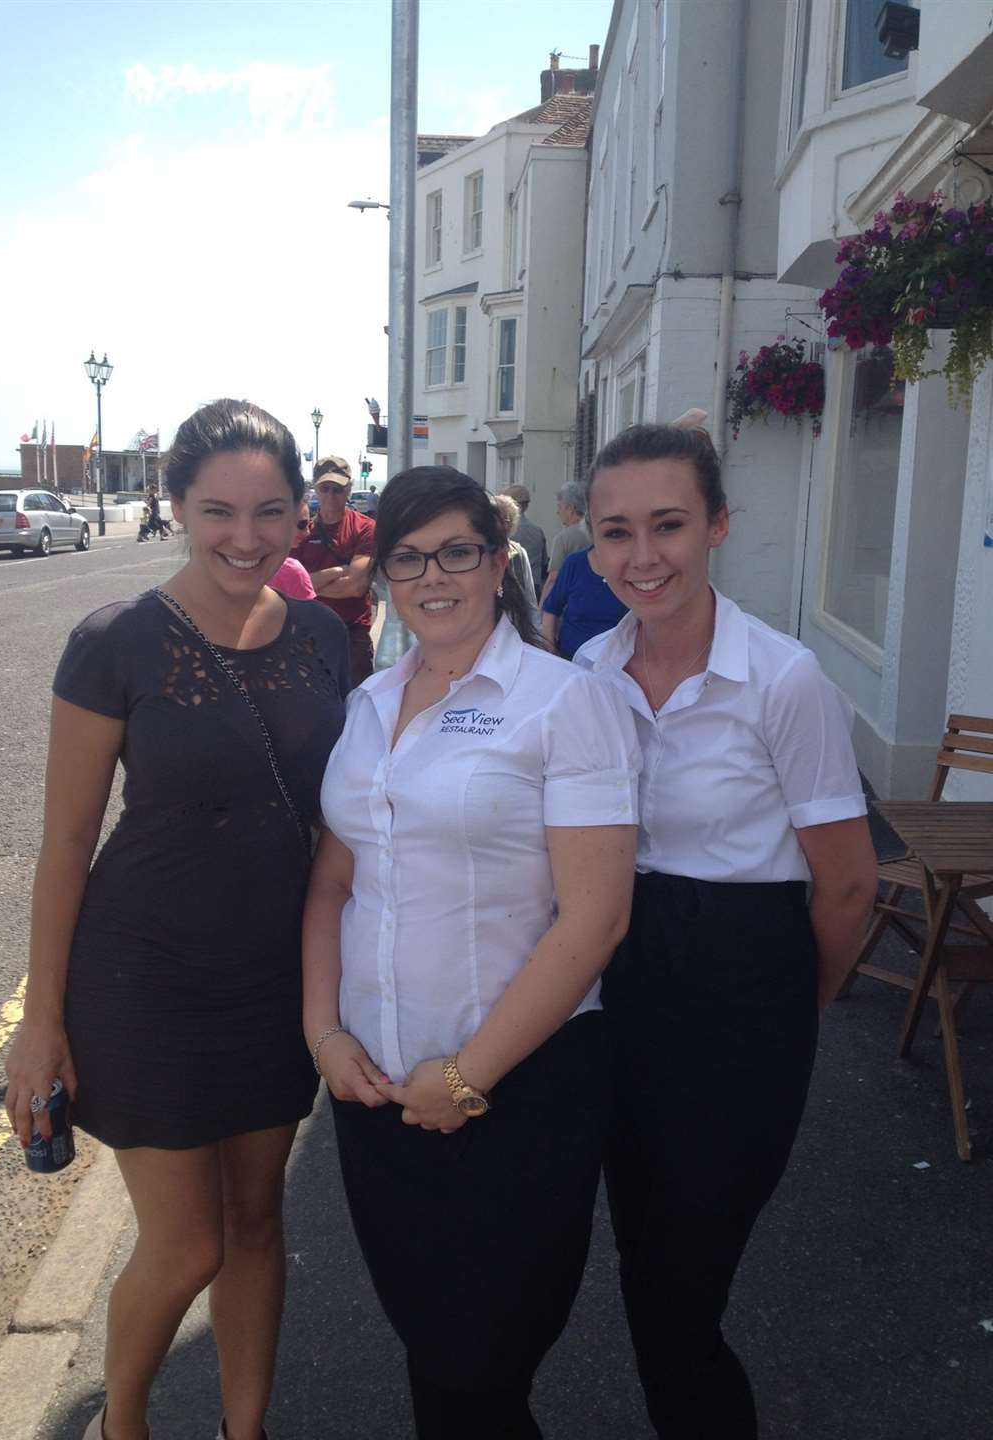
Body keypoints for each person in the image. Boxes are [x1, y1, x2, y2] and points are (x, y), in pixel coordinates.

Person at [4, 399, 349, 1440]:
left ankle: (245, 1431)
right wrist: (40, 1020)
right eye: (218, 511)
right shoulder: (115, 642)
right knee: (188, 1245)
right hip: (143, 977)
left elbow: (354, 812)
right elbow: (66, 844)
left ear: (301, 514)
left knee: (256, 1223)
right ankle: (126, 1421)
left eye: (271, 511)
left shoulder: (332, 638)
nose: (246, 537)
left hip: (274, 978)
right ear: (175, 506)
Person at [303, 466, 639, 1440]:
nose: (432, 575)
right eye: (407, 557)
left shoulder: (563, 704)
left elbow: (595, 919)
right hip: (376, 1100)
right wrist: (322, 1033)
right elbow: (332, 881)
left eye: (456, 550)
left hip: (515, 1099)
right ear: (385, 575)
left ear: (497, 562)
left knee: (481, 1368)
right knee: (433, 1352)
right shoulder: (366, 707)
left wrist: (466, 1078)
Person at [575, 423, 877, 1440]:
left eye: (668, 524)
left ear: (718, 527)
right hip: (624, 992)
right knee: (644, 1262)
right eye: (617, 531)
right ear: (590, 543)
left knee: (679, 1287)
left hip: (745, 1001)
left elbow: (845, 887)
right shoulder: (589, 670)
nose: (643, 555)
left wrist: (790, 1011)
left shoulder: (783, 681)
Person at [294, 456, 377, 687]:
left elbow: (356, 586)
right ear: (316, 489)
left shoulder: (365, 528)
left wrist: (309, 582)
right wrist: (341, 570)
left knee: (356, 709)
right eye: (325, 488)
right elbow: (290, 588)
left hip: (351, 637)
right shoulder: (302, 530)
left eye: (337, 489)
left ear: (348, 489)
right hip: (308, 636)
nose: (331, 495)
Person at [540, 538, 627, 660]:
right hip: (570, 662)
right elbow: (551, 608)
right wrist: (550, 649)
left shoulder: (629, 566)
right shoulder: (574, 563)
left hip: (615, 663)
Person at [491, 492, 540, 631]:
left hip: (515, 626)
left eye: (506, 520)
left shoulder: (518, 552)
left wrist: (536, 633)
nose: (501, 525)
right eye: (496, 520)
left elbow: (529, 599)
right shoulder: (481, 552)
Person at [540, 481, 590, 605]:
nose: (557, 512)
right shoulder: (597, 533)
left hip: (570, 605)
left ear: (571, 508)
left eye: (560, 506)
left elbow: (553, 579)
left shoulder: (563, 538)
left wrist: (540, 608)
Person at [502, 483, 548, 597]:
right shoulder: (538, 531)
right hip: (534, 589)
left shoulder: (504, 532)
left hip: (511, 589)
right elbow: (544, 564)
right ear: (526, 505)